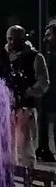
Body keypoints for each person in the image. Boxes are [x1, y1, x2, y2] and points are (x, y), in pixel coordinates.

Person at [3, 24, 50, 169]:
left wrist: (28, 91)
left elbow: (43, 82)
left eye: (16, 39)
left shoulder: (35, 57)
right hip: (7, 107)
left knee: (26, 148)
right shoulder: (3, 56)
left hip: (26, 108)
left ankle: (28, 178)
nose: (12, 43)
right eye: (10, 39)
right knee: (8, 148)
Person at [37, 20, 56, 163]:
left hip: (51, 92)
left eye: (49, 35)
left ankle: (44, 148)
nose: (46, 38)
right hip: (47, 92)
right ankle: (43, 148)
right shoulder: (46, 51)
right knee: (42, 121)